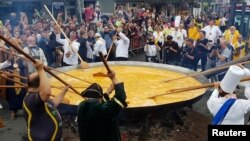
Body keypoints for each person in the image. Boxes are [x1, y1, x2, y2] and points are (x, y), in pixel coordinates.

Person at [22, 60, 70, 140]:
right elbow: (46, 93)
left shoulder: (39, 98)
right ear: (41, 84)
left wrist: (65, 90)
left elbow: (53, 103)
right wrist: (40, 69)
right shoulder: (30, 99)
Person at [77, 70, 127, 141]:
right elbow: (121, 97)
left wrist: (108, 92)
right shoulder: (102, 110)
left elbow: (100, 104)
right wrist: (113, 78)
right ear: (99, 98)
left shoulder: (81, 106)